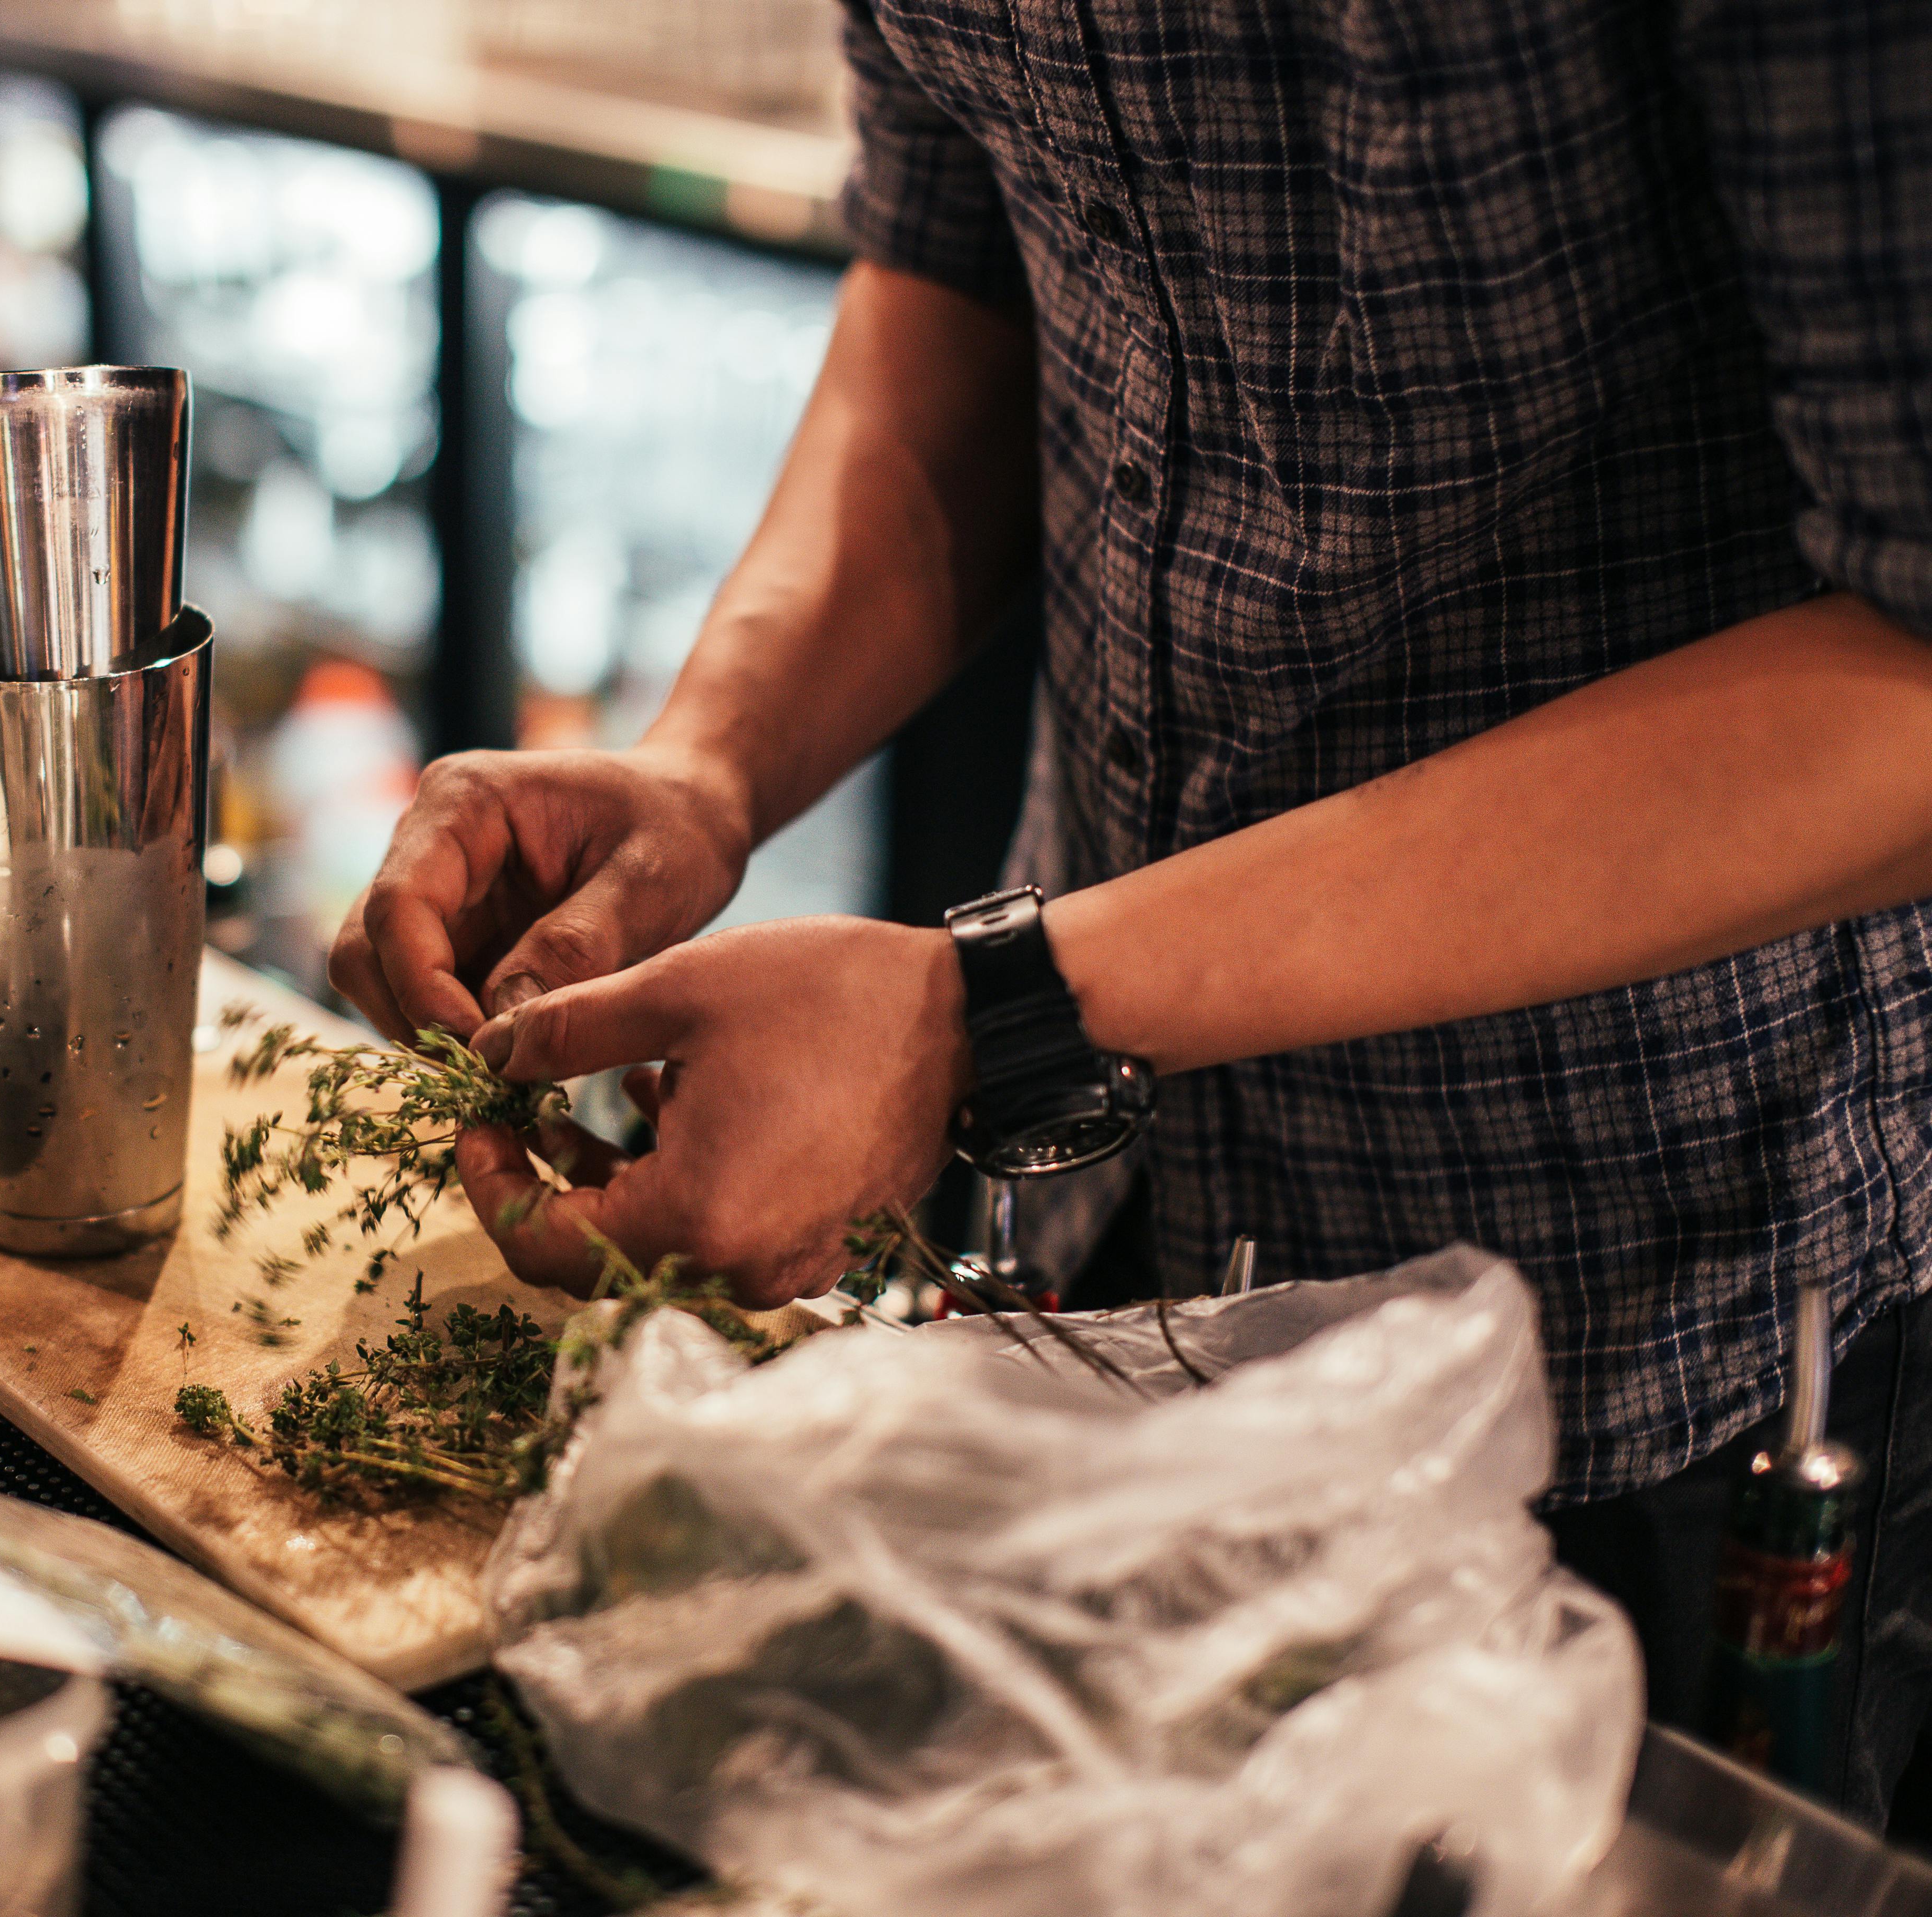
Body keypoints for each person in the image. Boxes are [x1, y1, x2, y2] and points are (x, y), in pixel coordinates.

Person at [330, 0, 1932, 1820]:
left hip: (1646, 1332)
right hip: (1109, 1223)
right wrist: (712, 769)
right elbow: (961, 262)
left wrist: (987, 1012)